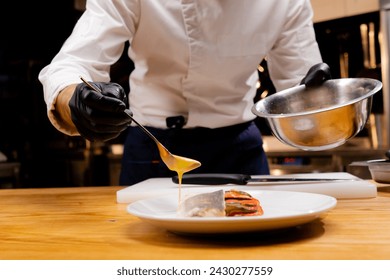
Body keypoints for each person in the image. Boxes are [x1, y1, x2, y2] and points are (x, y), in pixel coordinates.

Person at [39, 0, 331, 186]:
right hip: (156, 149)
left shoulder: (287, 3)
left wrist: (318, 101)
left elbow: (301, 94)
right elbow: (73, 65)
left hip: (241, 150)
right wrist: (75, 100)